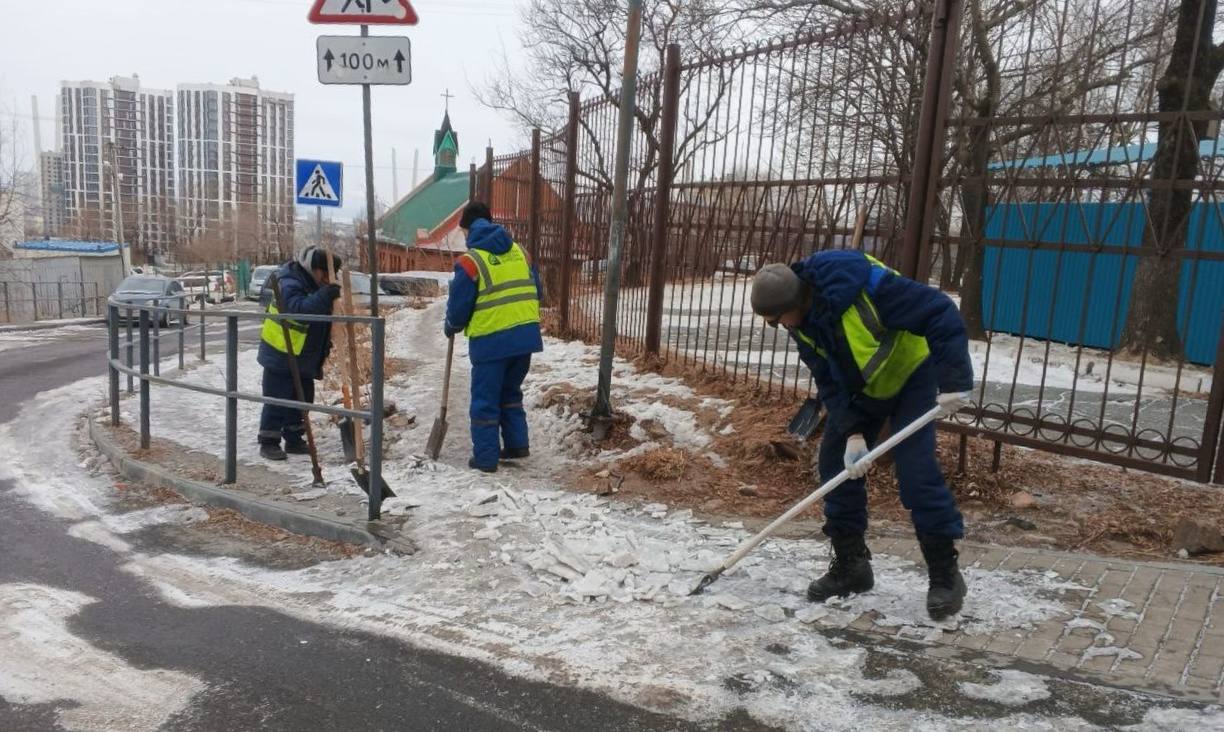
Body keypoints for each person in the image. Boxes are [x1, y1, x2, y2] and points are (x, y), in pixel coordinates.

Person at [750, 250, 974, 620]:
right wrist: (853, 432)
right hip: (864, 391)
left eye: (778, 320)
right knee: (834, 464)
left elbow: (939, 310)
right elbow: (827, 379)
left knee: (915, 470)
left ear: (796, 301)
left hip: (913, 375)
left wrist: (955, 381)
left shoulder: (867, 289)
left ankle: (944, 572)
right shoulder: (802, 325)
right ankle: (852, 566)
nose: (780, 327)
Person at [444, 202, 543, 473]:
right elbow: (539, 292)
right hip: (525, 338)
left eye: (464, 234)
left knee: (485, 399)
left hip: (491, 341)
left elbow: (459, 308)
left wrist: (451, 324)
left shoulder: (470, 261)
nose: (465, 240)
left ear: (469, 230)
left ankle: (486, 458)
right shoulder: (521, 252)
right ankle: (516, 444)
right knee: (510, 392)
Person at [257, 247, 343, 461]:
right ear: (316, 270)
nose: (329, 279)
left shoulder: (311, 283)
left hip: (303, 355)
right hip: (280, 353)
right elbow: (298, 309)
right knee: (277, 399)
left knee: (302, 399)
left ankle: (294, 439)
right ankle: (269, 442)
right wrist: (324, 295)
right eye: (327, 274)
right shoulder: (290, 281)